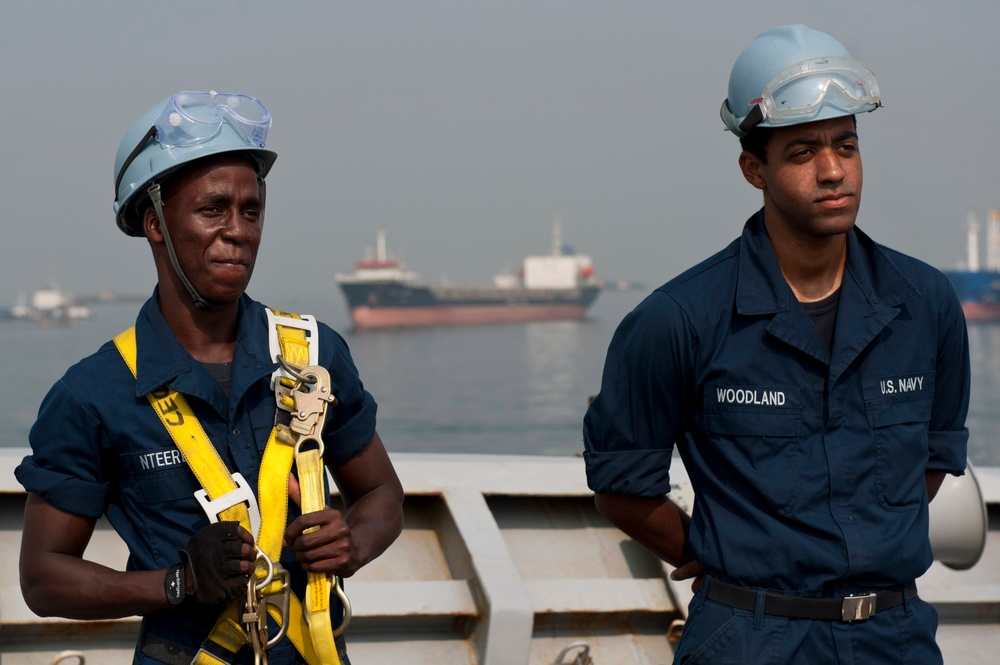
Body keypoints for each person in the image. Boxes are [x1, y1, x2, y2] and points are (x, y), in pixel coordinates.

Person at [583, 24, 970, 664]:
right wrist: (712, 555)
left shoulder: (924, 306)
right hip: (749, 638)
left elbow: (929, 462)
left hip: (894, 637)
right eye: (801, 153)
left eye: (846, 146)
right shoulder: (678, 321)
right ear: (752, 169)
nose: (832, 170)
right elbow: (623, 484)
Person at [16, 91, 404, 665]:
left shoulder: (312, 353)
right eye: (212, 209)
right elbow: (43, 578)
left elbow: (380, 492)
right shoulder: (94, 394)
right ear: (154, 223)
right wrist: (176, 583)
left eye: (251, 211)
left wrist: (355, 542)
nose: (238, 231)